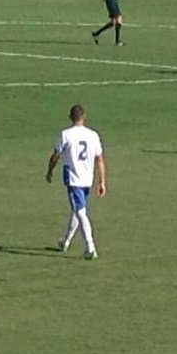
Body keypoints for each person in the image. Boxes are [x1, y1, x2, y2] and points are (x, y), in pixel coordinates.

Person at [46, 104, 106, 260]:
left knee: (80, 212)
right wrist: (102, 182)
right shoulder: (93, 135)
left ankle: (90, 247)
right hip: (88, 179)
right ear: (84, 117)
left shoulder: (66, 134)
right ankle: (65, 241)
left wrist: (49, 171)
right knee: (78, 210)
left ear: (70, 118)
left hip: (73, 179)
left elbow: (56, 155)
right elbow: (99, 159)